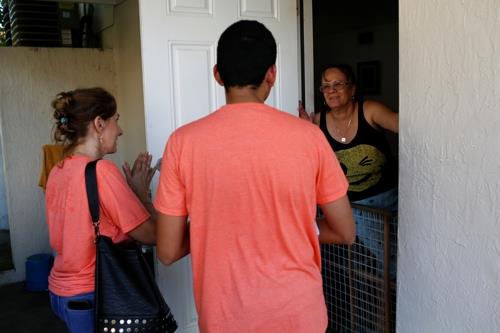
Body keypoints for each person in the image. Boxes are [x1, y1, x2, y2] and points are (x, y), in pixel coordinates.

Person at [154, 20, 355, 333]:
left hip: (225, 318)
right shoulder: (309, 137)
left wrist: (219, 226)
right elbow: (344, 231)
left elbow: (166, 251)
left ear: (218, 74)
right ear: (272, 74)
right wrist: (290, 226)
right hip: (300, 315)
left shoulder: (183, 142)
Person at [45, 88, 157, 333]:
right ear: (99, 123)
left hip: (61, 293)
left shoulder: (58, 171)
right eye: (116, 120)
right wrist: (140, 193)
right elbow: (151, 234)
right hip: (95, 295)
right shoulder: (102, 172)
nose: (120, 130)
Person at [299, 64, 398, 210]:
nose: (331, 90)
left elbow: (405, 127)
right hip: (345, 207)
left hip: (385, 205)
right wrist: (306, 133)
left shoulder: (370, 111)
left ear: (352, 89)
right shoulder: (317, 121)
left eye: (337, 84)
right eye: (325, 86)